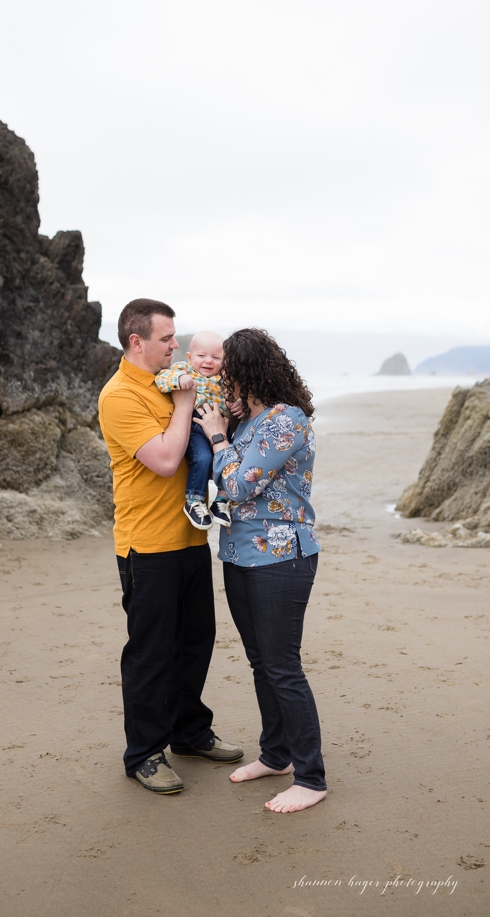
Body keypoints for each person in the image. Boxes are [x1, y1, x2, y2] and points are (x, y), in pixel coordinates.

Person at [96, 298, 243, 795]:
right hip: (147, 546)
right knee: (151, 654)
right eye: (166, 339)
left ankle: (189, 732)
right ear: (137, 341)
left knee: (195, 642)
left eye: (175, 338)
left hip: (189, 537)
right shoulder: (120, 396)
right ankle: (143, 754)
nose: (175, 347)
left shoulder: (173, 380)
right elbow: (163, 459)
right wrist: (184, 405)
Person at [197, 328, 328, 814]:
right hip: (238, 556)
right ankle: (277, 756)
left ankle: (311, 777)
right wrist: (221, 428)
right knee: (261, 663)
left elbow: (237, 483)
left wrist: (215, 436)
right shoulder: (245, 421)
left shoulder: (284, 421)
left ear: (247, 370)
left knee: (283, 667)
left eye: (227, 369)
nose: (221, 377)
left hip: (282, 558)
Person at [152, 330, 232, 529]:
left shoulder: (224, 379)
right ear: (190, 357)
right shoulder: (184, 369)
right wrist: (179, 380)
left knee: (231, 459)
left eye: (216, 357)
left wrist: (236, 405)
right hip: (195, 426)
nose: (208, 361)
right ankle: (194, 501)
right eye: (201, 356)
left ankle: (221, 501)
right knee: (202, 458)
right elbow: (161, 380)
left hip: (221, 426)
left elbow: (236, 397)